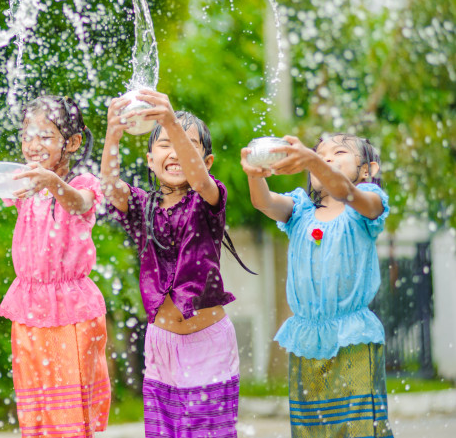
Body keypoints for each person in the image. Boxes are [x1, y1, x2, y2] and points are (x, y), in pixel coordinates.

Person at [101, 89, 243, 438]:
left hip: (208, 343)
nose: (176, 151)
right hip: (161, 344)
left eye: (187, 144)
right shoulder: (141, 207)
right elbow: (111, 187)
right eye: (165, 144)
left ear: (206, 161)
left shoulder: (208, 200)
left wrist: (170, 121)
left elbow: (199, 180)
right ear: (150, 160)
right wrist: (113, 133)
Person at [0, 95, 110, 438]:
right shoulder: (25, 183)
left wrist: (53, 183)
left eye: (45, 136)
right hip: (30, 305)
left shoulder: (81, 184)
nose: (33, 145)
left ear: (72, 142)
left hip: (72, 308)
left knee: (69, 406)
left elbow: (78, 204)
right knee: (36, 403)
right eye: (27, 135)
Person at [241, 133, 393, 438]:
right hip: (307, 337)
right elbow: (263, 202)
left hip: (352, 337)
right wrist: (254, 175)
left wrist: (312, 160)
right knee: (311, 427)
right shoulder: (299, 210)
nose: (326, 158)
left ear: (368, 170)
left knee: (360, 428)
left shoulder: (365, 204)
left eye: (339, 152)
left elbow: (346, 191)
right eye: (320, 154)